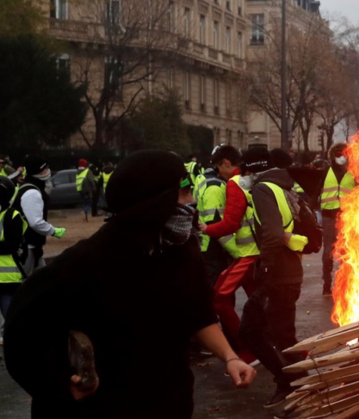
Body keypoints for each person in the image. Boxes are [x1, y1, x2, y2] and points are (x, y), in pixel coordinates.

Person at [3, 150, 255, 418]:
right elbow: (22, 330)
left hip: (171, 404)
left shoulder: (181, 250)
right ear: (153, 202)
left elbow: (199, 313)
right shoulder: (88, 261)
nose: (192, 202)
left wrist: (230, 357)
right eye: (183, 192)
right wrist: (59, 383)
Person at [240, 155, 305, 408]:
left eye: (243, 172)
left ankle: (295, 387)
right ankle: (295, 384)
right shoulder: (283, 186)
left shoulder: (261, 189)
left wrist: (265, 266)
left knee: (260, 332)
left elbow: (273, 233)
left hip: (279, 276)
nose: (241, 177)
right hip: (289, 273)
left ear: (252, 171)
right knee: (279, 334)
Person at [204, 146, 264, 358]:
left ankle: (246, 348)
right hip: (258, 253)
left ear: (227, 163)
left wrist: (206, 228)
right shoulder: (255, 180)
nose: (218, 172)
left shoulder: (235, 183)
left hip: (247, 254)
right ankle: (266, 343)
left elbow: (230, 223)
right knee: (259, 302)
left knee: (219, 298)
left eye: (218, 166)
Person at [13, 156, 65, 276]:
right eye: (45, 168)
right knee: (25, 281)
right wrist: (54, 231)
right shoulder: (32, 192)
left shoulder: (31, 187)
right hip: (27, 246)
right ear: (37, 171)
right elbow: (35, 222)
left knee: (42, 280)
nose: (48, 170)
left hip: (32, 245)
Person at [196, 146, 237, 288]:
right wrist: (237, 253)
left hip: (207, 247)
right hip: (213, 250)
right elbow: (216, 225)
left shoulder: (205, 179)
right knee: (217, 294)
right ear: (226, 163)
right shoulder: (215, 186)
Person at [319, 142, 355, 297]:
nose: (341, 158)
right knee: (328, 251)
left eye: (344, 154)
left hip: (347, 216)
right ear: (333, 156)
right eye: (338, 155)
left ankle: (344, 284)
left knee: (346, 252)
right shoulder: (325, 172)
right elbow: (315, 192)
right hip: (329, 216)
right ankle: (327, 284)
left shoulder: (353, 174)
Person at [0, 175, 28, 345]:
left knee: (10, 317)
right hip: (6, 277)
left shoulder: (12, 216)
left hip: (7, 279)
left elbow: (12, 245)